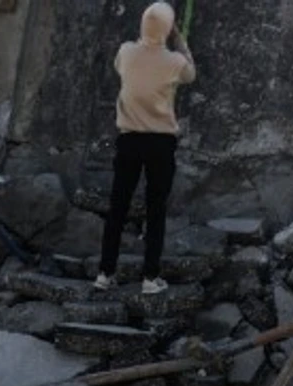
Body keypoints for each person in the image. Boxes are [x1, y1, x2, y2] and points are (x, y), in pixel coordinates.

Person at [95, 1, 196, 296]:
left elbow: (120, 68)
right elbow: (191, 74)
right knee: (156, 210)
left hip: (128, 140)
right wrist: (179, 40)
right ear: (167, 28)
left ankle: (105, 272)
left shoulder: (126, 52)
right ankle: (150, 277)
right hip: (160, 143)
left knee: (118, 207)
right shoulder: (174, 62)